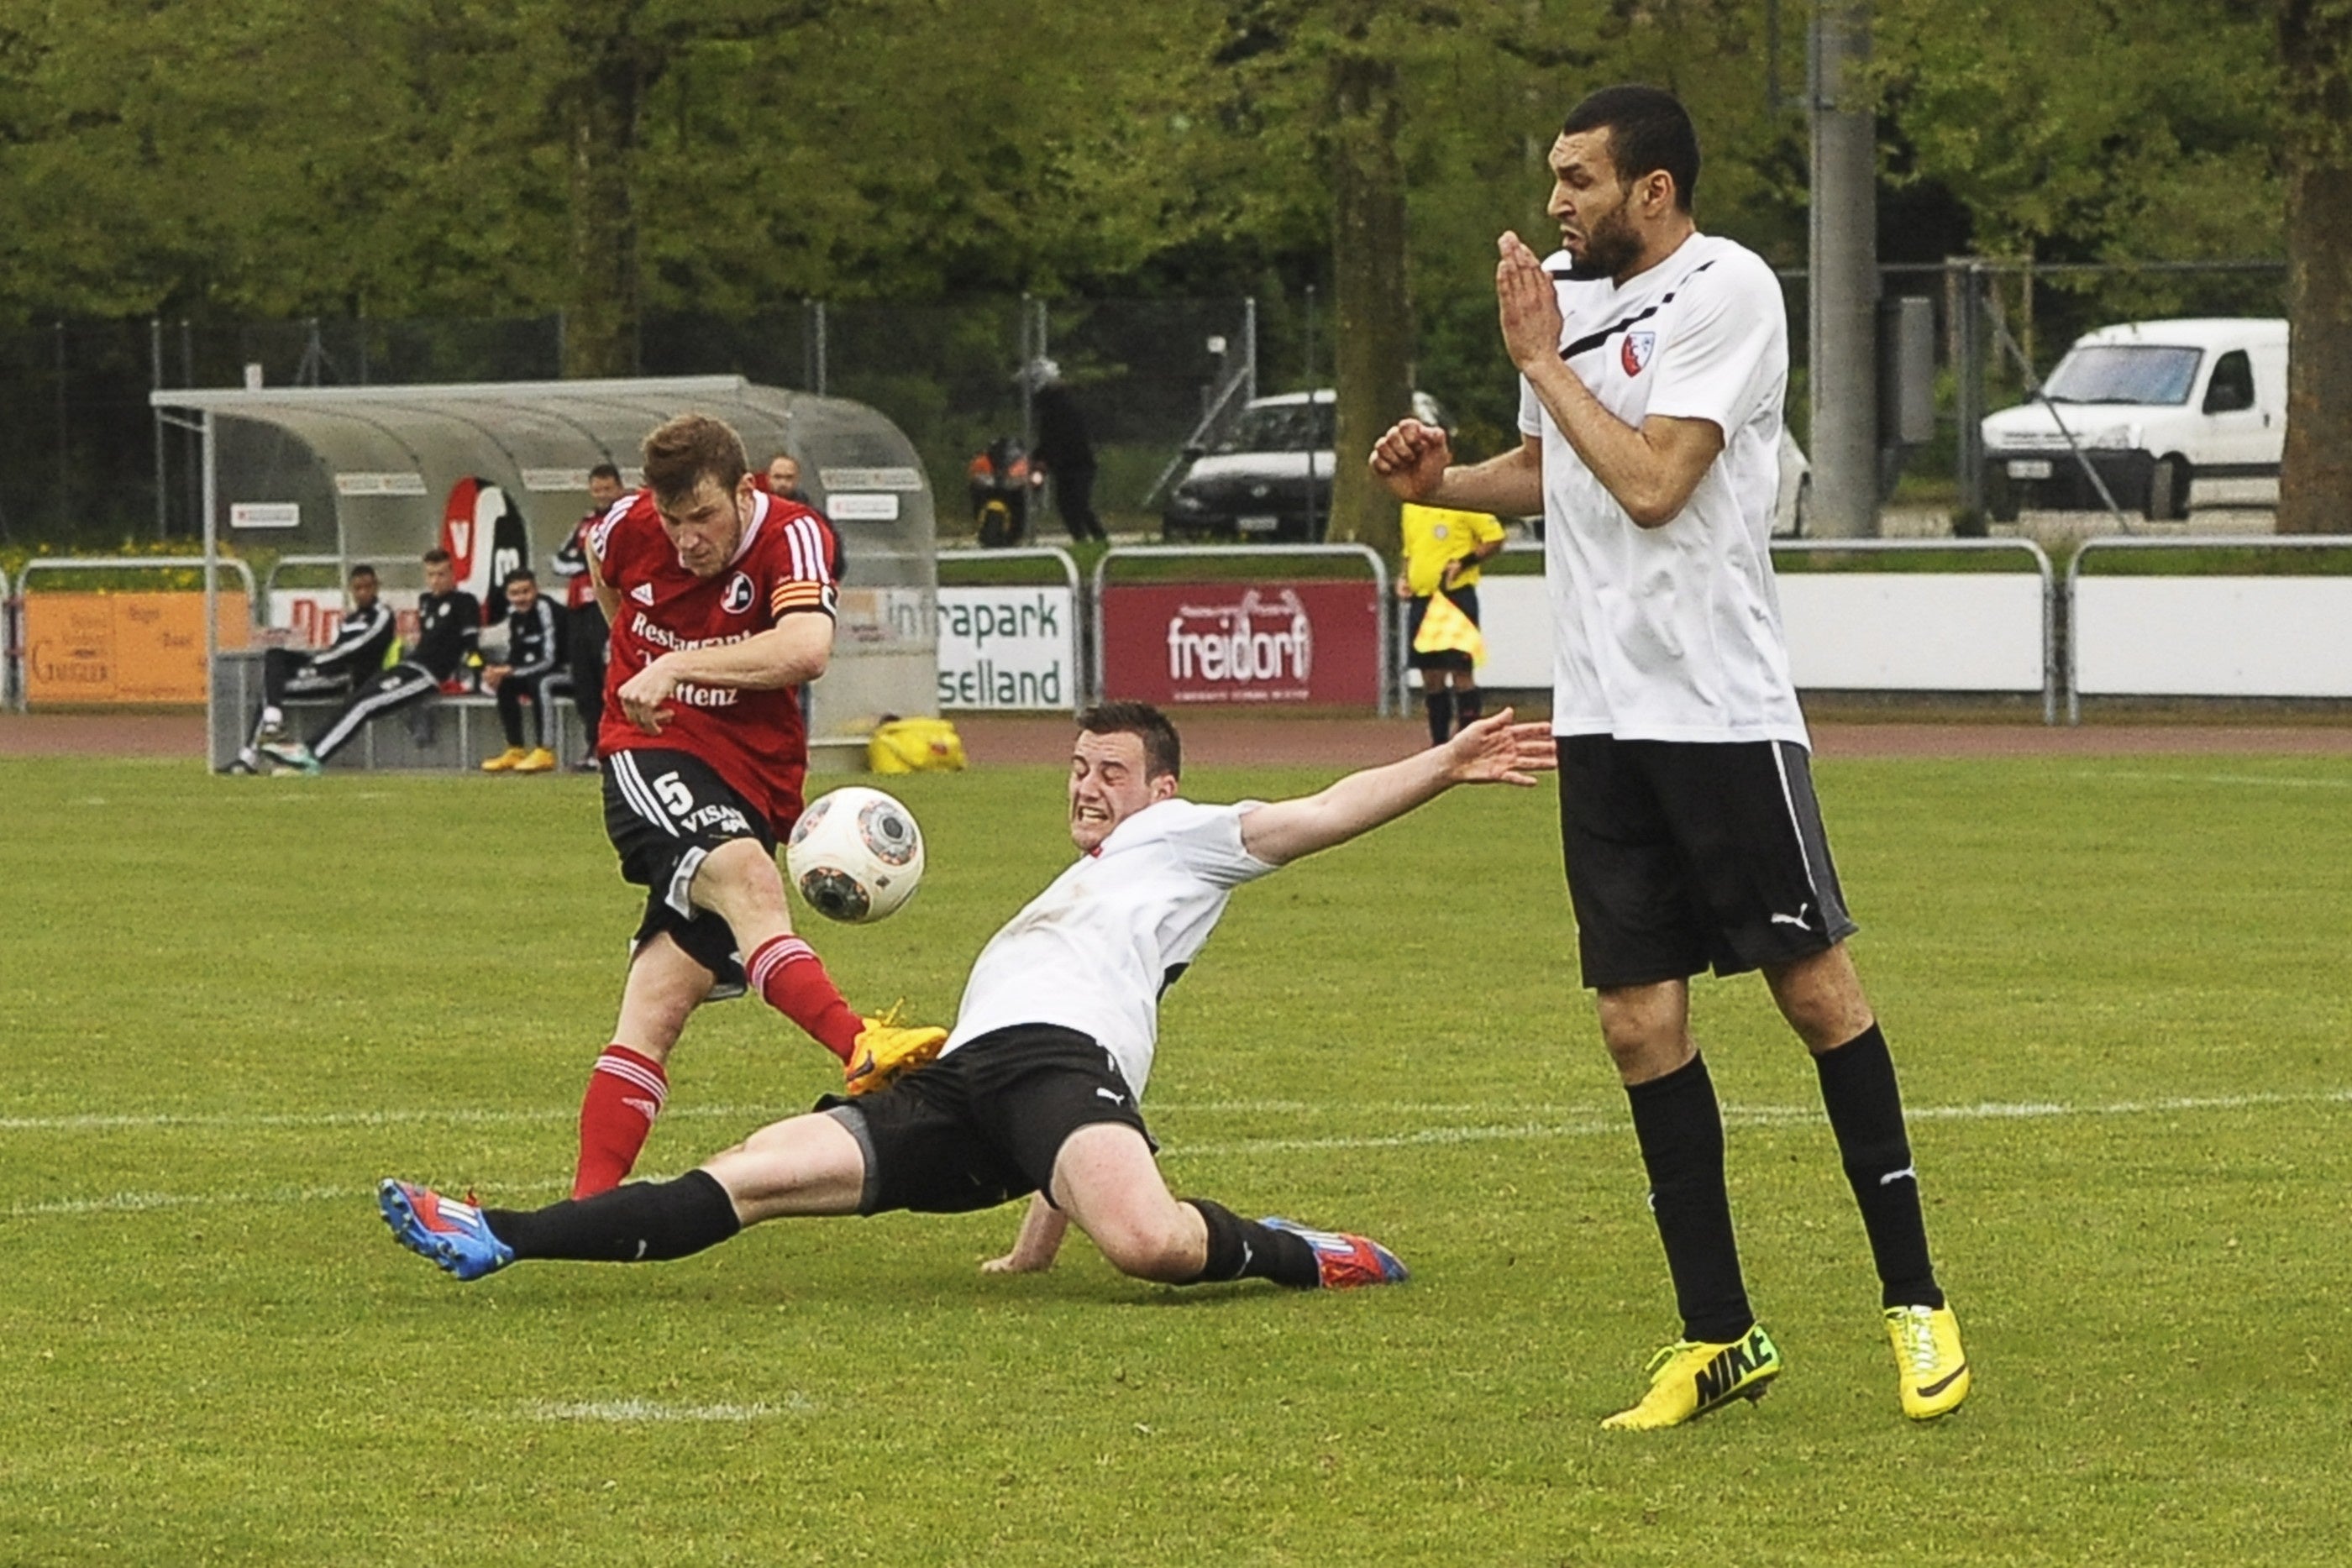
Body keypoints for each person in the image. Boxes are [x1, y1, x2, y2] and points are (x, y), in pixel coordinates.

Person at [1369, 84, 1968, 1429]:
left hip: (1720, 713)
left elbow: (1654, 484)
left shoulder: (1728, 290)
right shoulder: (1570, 308)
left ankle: (1916, 1298)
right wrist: (1443, 483)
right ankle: (1720, 1335)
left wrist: (1539, 362)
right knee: (1637, 1022)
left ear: (1653, 189)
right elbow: (1558, 474)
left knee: (1813, 992)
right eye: (1553, 178)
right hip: (1603, 721)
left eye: (1577, 179)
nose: (1556, 204)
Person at [377, 700, 1558, 1296]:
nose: (1087, 786)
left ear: (1164, 785)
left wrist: (1442, 765)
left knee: (1149, 1242)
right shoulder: (1070, 894)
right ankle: (499, 1232)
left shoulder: (1189, 838)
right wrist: (1033, 1243)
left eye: (1111, 771)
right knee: (747, 1174)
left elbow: (1320, 811)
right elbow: (1059, 1131)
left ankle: (1299, 1250)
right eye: (1078, 768)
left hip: (1055, 1066)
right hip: (966, 1083)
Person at [564, 412, 943, 1201]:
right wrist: (640, 668)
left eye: (702, 516)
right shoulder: (626, 529)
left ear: (744, 490)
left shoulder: (793, 535)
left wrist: (673, 665)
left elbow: (806, 648)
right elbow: (607, 577)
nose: (686, 541)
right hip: (652, 756)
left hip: (754, 783)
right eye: (672, 520)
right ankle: (859, 1042)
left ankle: (587, 1209)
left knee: (659, 1003)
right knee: (749, 882)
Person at [259, 549, 480, 774]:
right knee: (358, 700)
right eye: (431, 575)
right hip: (407, 667)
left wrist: (476, 675)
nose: (436, 581)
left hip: (427, 674)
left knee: (364, 705)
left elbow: (471, 646)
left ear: (453, 574)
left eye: (441, 574)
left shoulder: (466, 602)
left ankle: (312, 756)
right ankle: (307, 752)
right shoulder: (425, 601)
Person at [233, 564, 397, 773]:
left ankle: (251, 757)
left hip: (346, 677)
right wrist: (319, 662)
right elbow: (338, 648)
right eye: (358, 588)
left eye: (368, 587)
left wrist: (320, 662)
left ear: (376, 587)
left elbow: (360, 645)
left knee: (270, 688)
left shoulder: (382, 614)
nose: (363, 593)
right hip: (327, 669)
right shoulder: (350, 619)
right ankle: (272, 724)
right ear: (351, 590)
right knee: (275, 656)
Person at [1396, 501, 1505, 746]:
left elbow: (1495, 538)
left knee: (1461, 672)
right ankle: (1439, 745)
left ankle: (1470, 743)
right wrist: (1404, 577)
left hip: (1454, 599)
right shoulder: (1411, 506)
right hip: (1422, 600)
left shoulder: (1461, 502)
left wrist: (1464, 562)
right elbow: (1409, 550)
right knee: (1431, 677)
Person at [550, 463, 627, 772]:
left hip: (605, 609)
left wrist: (592, 562)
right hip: (578, 612)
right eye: (597, 489)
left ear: (618, 488)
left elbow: (614, 562)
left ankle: (613, 745)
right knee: (584, 682)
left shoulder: (624, 519)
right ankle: (593, 745)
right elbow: (560, 561)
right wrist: (589, 561)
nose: (602, 495)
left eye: (607, 489)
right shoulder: (584, 524)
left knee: (610, 678)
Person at [480, 569, 565, 774]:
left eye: (526, 591)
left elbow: (550, 660)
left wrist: (510, 670)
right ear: (507, 596)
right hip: (537, 672)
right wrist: (499, 672)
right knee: (505, 684)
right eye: (515, 594)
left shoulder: (546, 609)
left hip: (568, 672)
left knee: (542, 683)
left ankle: (545, 750)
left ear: (536, 590)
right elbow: (516, 656)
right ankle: (515, 748)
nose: (521, 598)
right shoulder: (515, 616)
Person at [1026, 358, 1106, 543]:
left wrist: (1046, 460)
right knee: (1067, 505)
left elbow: (1062, 439)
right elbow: (1048, 439)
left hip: (1079, 464)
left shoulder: (1062, 405)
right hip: (1064, 466)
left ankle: (1098, 538)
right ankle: (1082, 540)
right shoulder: (1049, 409)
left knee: (1078, 504)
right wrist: (1037, 457)